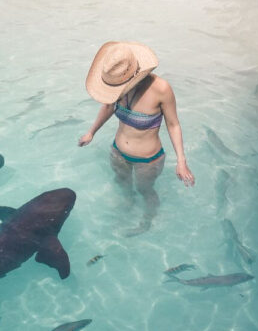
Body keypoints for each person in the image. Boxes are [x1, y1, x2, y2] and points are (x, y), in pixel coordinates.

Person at [78, 41, 194, 235]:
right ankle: (127, 206)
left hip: (147, 160)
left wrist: (181, 161)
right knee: (122, 184)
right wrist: (92, 132)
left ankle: (146, 222)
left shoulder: (161, 89)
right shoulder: (116, 87)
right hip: (117, 153)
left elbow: (173, 124)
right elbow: (108, 107)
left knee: (146, 191)